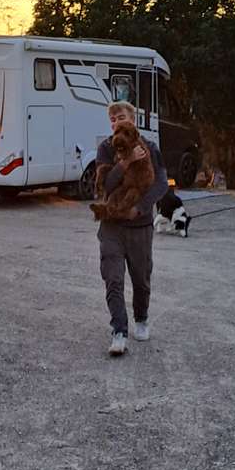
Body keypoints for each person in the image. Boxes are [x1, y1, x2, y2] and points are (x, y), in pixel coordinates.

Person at [95, 99, 168, 356]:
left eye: (121, 117)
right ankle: (119, 331)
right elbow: (106, 185)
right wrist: (125, 162)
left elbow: (161, 184)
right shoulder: (106, 149)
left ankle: (142, 318)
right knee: (113, 278)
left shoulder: (151, 148)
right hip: (112, 226)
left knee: (141, 279)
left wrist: (140, 208)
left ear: (133, 120)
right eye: (113, 120)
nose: (116, 123)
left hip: (140, 227)